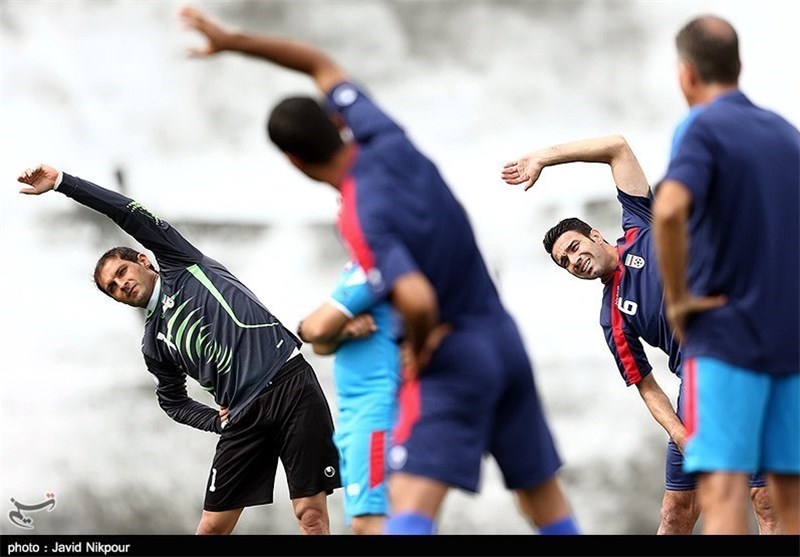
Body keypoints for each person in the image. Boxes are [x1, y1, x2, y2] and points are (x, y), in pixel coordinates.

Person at [179, 5, 580, 535]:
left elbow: (415, 297)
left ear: (294, 163)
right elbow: (319, 63)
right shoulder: (385, 138)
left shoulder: (361, 215)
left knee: (404, 506)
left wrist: (417, 345)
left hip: (453, 350)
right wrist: (233, 41)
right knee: (541, 497)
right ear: (337, 123)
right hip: (503, 337)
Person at [17, 164, 341, 535]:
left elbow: (123, 210)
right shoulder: (153, 343)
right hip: (243, 416)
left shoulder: (180, 263)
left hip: (289, 384)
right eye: (111, 287)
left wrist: (61, 182)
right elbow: (172, 401)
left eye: (121, 272)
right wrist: (214, 420)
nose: (120, 284)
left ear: (143, 260)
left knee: (310, 514)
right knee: (211, 530)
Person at [501, 134, 777, 534]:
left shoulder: (640, 224)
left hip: (743, 360)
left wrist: (543, 157)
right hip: (697, 389)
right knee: (675, 513)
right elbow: (646, 385)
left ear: (596, 235)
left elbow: (616, 148)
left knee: (765, 500)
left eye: (575, 248)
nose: (575, 261)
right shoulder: (611, 316)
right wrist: (682, 436)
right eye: (565, 262)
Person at [651, 15, 800, 535]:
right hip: (788, 336)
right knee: (787, 497)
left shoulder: (702, 125)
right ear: (738, 64)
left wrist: (678, 300)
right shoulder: (787, 134)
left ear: (686, 74)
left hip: (726, 336)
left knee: (723, 491)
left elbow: (668, 210)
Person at [296, 260, 402, 534]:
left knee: (369, 521)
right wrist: (342, 330)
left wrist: (324, 328)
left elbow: (312, 329)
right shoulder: (357, 267)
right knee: (372, 519)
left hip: (375, 410)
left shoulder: (374, 267)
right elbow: (320, 343)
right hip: (358, 413)